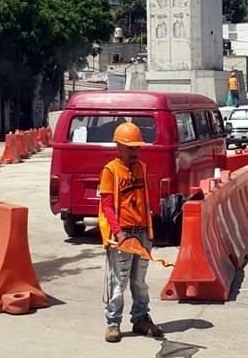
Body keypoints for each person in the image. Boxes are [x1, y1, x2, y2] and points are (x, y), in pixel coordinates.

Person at [99, 122, 163, 343]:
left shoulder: (142, 168)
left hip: (142, 233)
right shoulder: (111, 171)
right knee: (119, 281)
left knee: (139, 281)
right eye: (130, 148)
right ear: (118, 147)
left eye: (137, 148)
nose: (135, 152)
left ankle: (141, 318)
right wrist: (118, 233)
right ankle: (113, 323)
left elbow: (146, 200)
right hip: (123, 234)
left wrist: (151, 229)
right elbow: (107, 205)